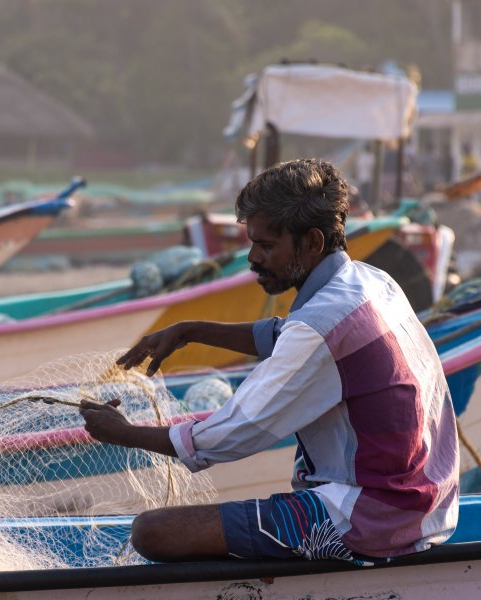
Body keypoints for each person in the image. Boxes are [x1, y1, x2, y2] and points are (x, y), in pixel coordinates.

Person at [80, 158, 459, 565]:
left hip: (370, 520)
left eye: (266, 246)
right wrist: (190, 330)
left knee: (153, 532)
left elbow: (229, 435)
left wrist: (124, 433)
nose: (253, 259)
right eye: (252, 243)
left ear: (312, 242)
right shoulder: (369, 282)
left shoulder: (320, 327)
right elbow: (284, 336)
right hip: (426, 505)